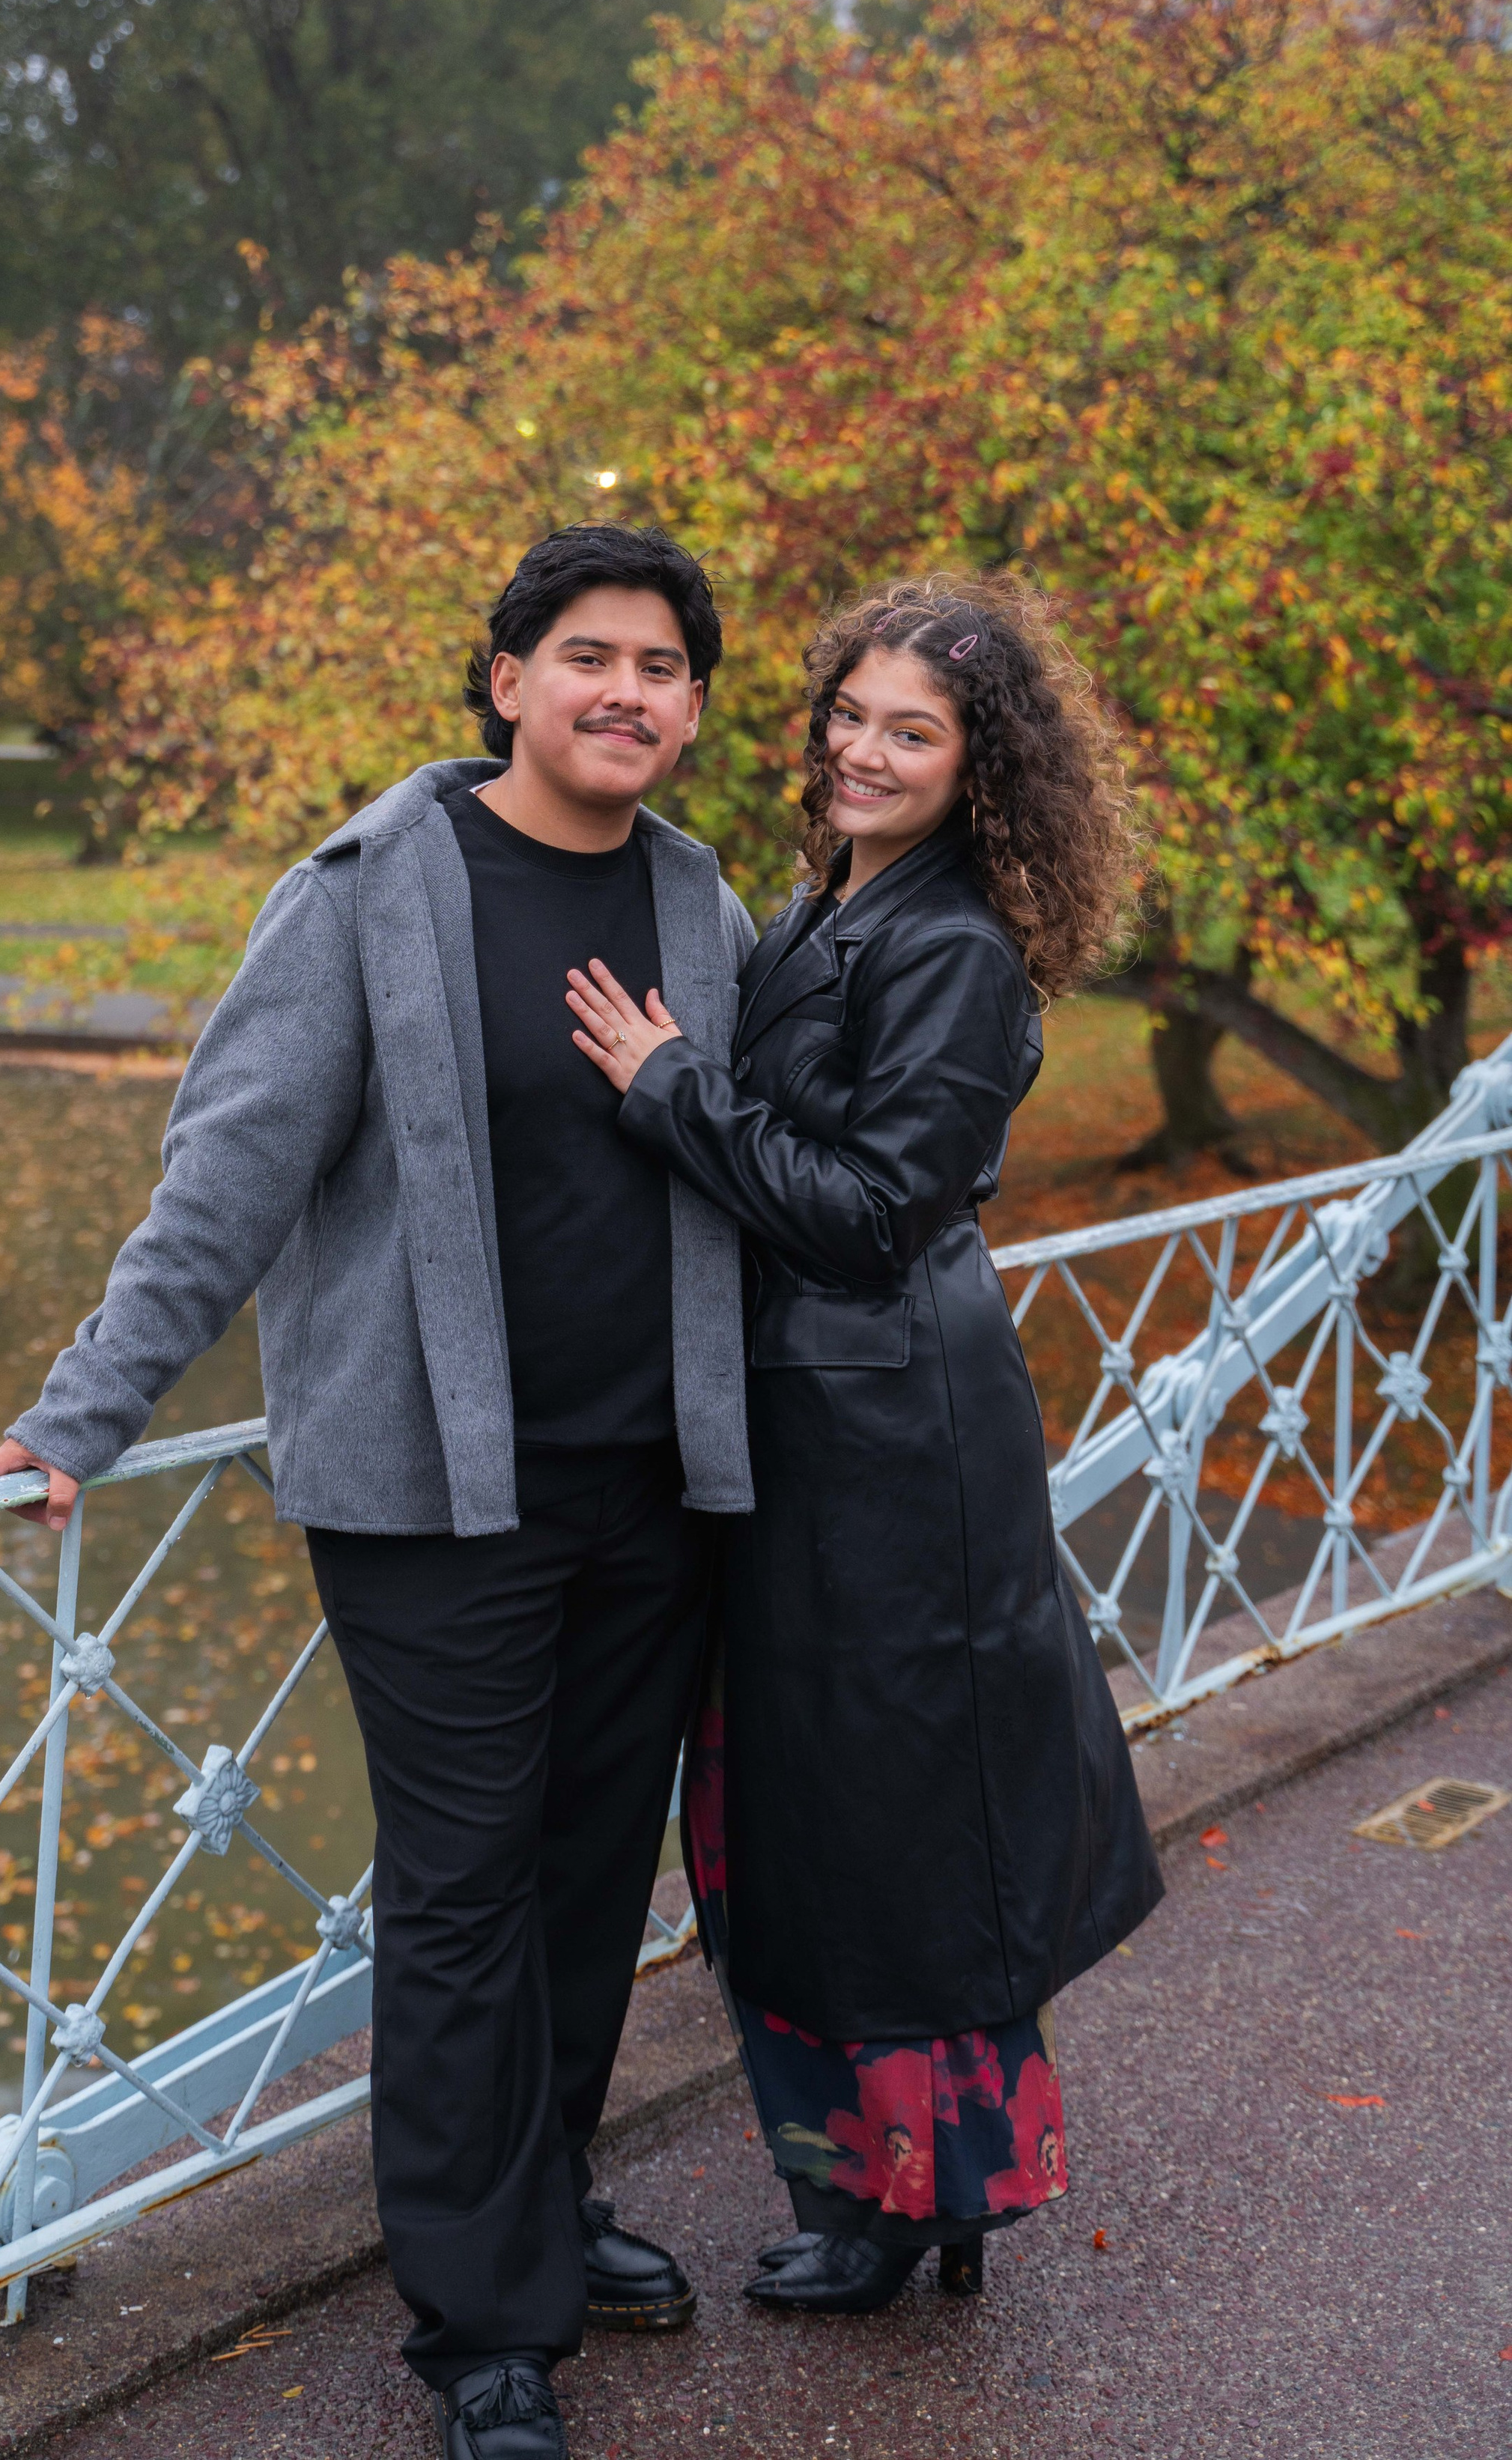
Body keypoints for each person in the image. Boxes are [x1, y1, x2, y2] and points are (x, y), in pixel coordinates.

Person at [0, 522, 757, 2460]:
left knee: (588, 1879)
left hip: (654, 1484)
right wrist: (81, 1410)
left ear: (692, 706)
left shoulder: (702, 903)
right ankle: (484, 2324)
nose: (626, 690)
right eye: (589, 652)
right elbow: (226, 1176)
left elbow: (750, 1161)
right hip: (428, 1489)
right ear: (506, 678)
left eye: (663, 664)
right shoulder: (363, 890)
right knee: (471, 1888)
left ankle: (546, 2202)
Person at [565, 573, 1164, 2315]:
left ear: (977, 768)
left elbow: (874, 1207)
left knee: (880, 1819)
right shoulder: (837, 901)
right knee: (803, 1813)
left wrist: (671, 1083)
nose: (863, 749)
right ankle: (896, 2188)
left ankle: (908, 2198)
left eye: (912, 731)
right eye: (849, 712)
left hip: (887, 1434)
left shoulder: (956, 947)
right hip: (820, 1419)